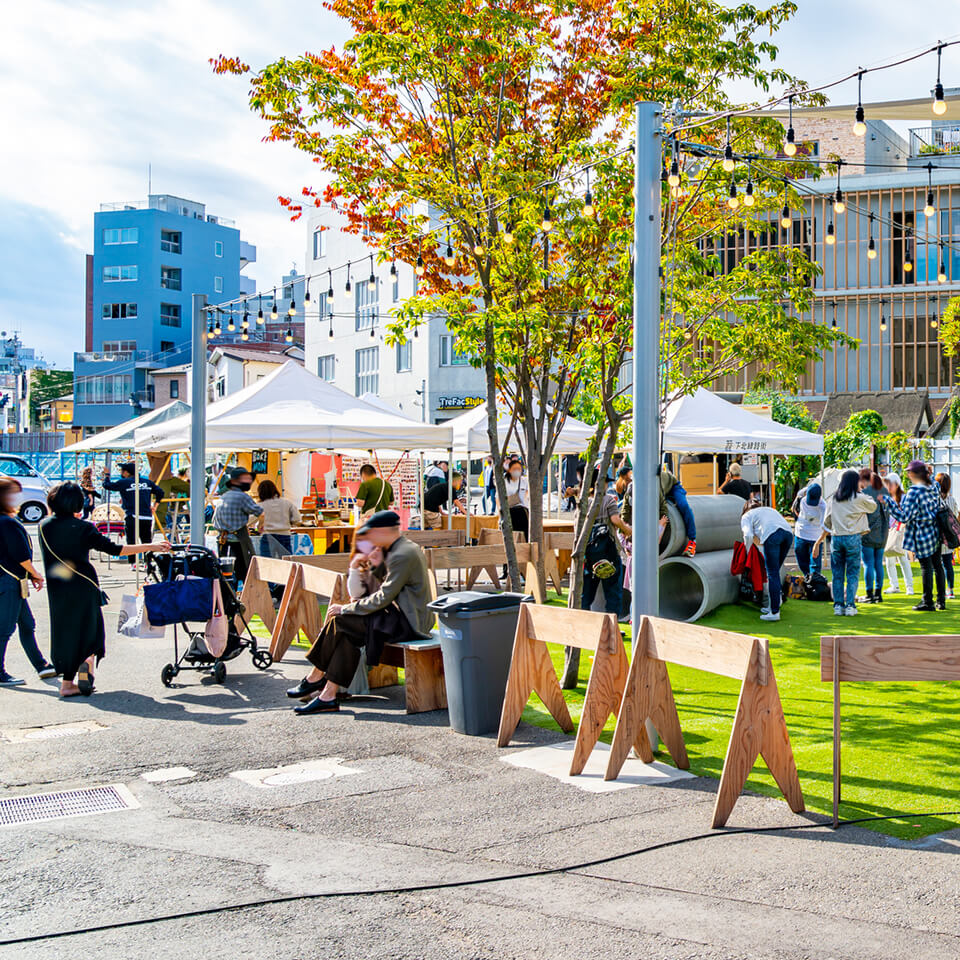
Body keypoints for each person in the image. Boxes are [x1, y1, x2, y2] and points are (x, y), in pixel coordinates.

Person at [286, 511, 433, 714]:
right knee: (347, 635)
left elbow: (383, 597)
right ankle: (328, 696)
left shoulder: (402, 554)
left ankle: (315, 677)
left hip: (410, 622)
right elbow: (376, 587)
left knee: (340, 621)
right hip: (401, 616)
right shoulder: (398, 548)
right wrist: (366, 565)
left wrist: (346, 607)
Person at [39, 482, 169, 697]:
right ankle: (87, 662)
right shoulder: (84, 528)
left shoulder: (44, 526)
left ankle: (67, 683)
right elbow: (117, 549)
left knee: (64, 631)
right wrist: (151, 546)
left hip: (56, 588)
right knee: (91, 630)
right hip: (84, 586)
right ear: (78, 502)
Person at [0, 479, 54, 686]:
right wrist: (35, 573)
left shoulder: (5, 520)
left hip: (12, 579)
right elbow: (20, 555)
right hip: (10, 580)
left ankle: (41, 665)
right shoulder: (7, 522)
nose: (17, 497)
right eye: (13, 493)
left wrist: (30, 574)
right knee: (5, 629)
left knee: (26, 624)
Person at [881, 460, 946, 612]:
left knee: (926, 567)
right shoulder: (934, 486)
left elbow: (904, 516)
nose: (908, 475)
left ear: (915, 474)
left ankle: (927, 601)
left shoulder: (914, 491)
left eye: (909, 472)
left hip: (922, 532)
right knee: (938, 565)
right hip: (936, 529)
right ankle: (941, 601)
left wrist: (889, 502)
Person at [814, 469, 877, 616]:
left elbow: (827, 521)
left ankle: (838, 605)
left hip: (836, 538)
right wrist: (862, 492)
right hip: (853, 537)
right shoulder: (858, 497)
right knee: (852, 573)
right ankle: (850, 605)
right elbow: (873, 506)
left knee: (837, 574)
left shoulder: (834, 498)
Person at [581, 469, 632, 618]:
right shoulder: (608, 499)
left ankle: (584, 623)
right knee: (612, 591)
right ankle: (612, 626)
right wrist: (627, 530)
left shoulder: (583, 502)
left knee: (587, 592)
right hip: (608, 552)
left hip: (588, 553)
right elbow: (615, 520)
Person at [740, 499, 793, 621]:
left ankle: (774, 612)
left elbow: (747, 535)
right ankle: (775, 603)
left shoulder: (746, 516)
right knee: (775, 572)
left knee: (772, 574)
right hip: (788, 534)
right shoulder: (768, 509)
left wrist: (747, 553)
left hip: (772, 535)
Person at [101, 461, 163, 565]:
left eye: (122, 471)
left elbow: (107, 485)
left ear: (127, 472)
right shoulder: (146, 482)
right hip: (146, 516)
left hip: (132, 516)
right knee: (147, 541)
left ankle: (133, 563)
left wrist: (107, 475)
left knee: (132, 541)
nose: (121, 473)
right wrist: (155, 506)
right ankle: (148, 563)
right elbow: (160, 492)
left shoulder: (124, 482)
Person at [211, 468, 263, 582]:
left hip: (223, 540)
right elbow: (261, 513)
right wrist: (259, 526)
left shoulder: (224, 496)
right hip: (239, 539)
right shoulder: (242, 497)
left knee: (226, 574)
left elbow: (214, 521)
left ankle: (229, 598)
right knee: (246, 571)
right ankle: (246, 597)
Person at [858, 469, 888, 604]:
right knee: (878, 564)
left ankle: (869, 594)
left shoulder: (864, 493)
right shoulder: (885, 491)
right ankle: (878, 594)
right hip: (882, 534)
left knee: (868, 564)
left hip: (868, 532)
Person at [882, 472, 914, 596]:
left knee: (902, 557)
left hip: (901, 531)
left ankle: (909, 586)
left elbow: (906, 515)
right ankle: (894, 585)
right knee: (889, 558)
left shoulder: (904, 498)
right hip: (890, 531)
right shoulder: (888, 498)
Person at [256, 479, 301, 558]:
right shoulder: (287, 502)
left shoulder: (260, 505)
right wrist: (289, 522)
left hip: (268, 536)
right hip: (285, 535)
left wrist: (259, 525)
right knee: (286, 562)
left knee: (267, 562)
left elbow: (250, 519)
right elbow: (297, 519)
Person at [659, 465, 696, 556]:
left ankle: (692, 541)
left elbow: (662, 507)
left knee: (683, 505)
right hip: (664, 490)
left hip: (673, 487)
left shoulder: (656, 485)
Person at [792, 482, 825, 578]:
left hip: (815, 537)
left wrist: (818, 544)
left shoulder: (823, 506)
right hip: (800, 534)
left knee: (815, 565)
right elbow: (794, 506)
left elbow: (825, 528)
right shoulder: (802, 495)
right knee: (802, 561)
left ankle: (814, 583)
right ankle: (808, 580)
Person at [936, 472, 958, 600]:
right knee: (948, 564)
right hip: (948, 536)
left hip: (936, 536)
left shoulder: (934, 499)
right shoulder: (952, 500)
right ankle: (950, 590)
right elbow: (955, 516)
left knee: (936, 565)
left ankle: (940, 589)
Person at [503, 457, 530, 540]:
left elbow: (528, 493)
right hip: (509, 511)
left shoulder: (524, 480)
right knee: (512, 536)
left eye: (519, 468)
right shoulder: (505, 481)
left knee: (524, 535)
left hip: (522, 511)